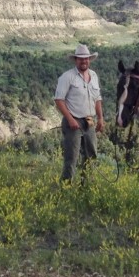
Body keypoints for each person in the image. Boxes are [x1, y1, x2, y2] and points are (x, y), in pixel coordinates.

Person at [54, 43, 104, 182]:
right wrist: (70, 119)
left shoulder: (93, 75)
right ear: (76, 60)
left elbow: (97, 99)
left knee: (91, 155)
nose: (84, 61)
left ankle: (86, 187)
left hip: (89, 121)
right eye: (81, 59)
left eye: (86, 58)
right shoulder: (67, 77)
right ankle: (66, 188)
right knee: (72, 157)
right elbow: (59, 100)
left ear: (89, 59)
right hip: (73, 121)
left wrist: (100, 118)